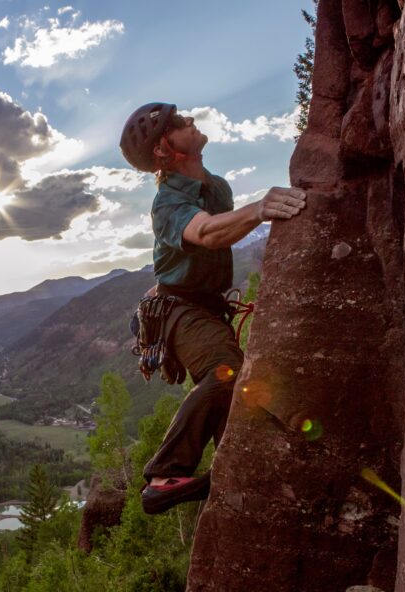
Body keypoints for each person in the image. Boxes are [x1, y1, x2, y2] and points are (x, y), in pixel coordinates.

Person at [119, 102, 307, 514]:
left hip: (205, 307)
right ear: (163, 150)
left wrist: (258, 216)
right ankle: (164, 474)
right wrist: (260, 210)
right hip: (176, 308)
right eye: (176, 123)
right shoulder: (167, 203)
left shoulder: (217, 187)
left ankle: (231, 466)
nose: (188, 120)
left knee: (238, 387)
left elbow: (224, 231)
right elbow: (204, 232)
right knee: (227, 373)